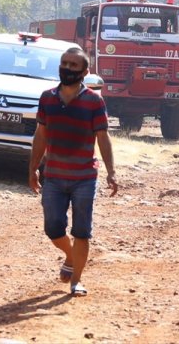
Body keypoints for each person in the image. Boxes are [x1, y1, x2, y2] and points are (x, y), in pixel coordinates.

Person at [29, 47, 119, 297]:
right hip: (54, 176)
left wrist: (111, 172)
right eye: (64, 63)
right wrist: (33, 169)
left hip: (84, 178)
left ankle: (75, 280)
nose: (67, 69)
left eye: (73, 65)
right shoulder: (47, 98)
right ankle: (70, 256)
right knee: (53, 228)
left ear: (84, 72)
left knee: (82, 230)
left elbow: (103, 136)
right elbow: (40, 135)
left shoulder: (94, 101)